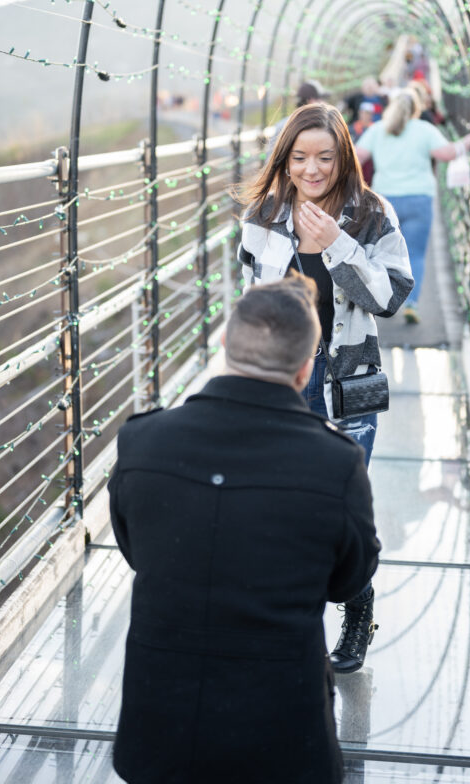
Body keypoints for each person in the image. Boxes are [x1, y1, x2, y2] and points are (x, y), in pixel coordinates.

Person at [108, 275, 381, 784]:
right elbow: (350, 581)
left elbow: (138, 551)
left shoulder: (141, 442)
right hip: (281, 737)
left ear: (224, 343)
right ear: (305, 370)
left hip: (158, 731)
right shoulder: (337, 464)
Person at [236, 102, 413, 673]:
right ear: (284, 160)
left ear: (344, 158)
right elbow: (248, 303)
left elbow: (390, 298)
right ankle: (295, 625)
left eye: (325, 158)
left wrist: (337, 243)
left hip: (348, 384)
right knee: (284, 509)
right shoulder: (262, 219)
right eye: (300, 157)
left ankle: (358, 609)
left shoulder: (371, 215)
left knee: (343, 509)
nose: (312, 170)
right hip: (283, 387)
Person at [355, 87, 470, 325]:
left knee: (378, 252)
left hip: (384, 201)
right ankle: (411, 304)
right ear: (416, 108)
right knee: (415, 254)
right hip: (419, 198)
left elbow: (356, 157)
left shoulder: (378, 130)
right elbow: (448, 153)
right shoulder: (425, 130)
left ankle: (378, 301)